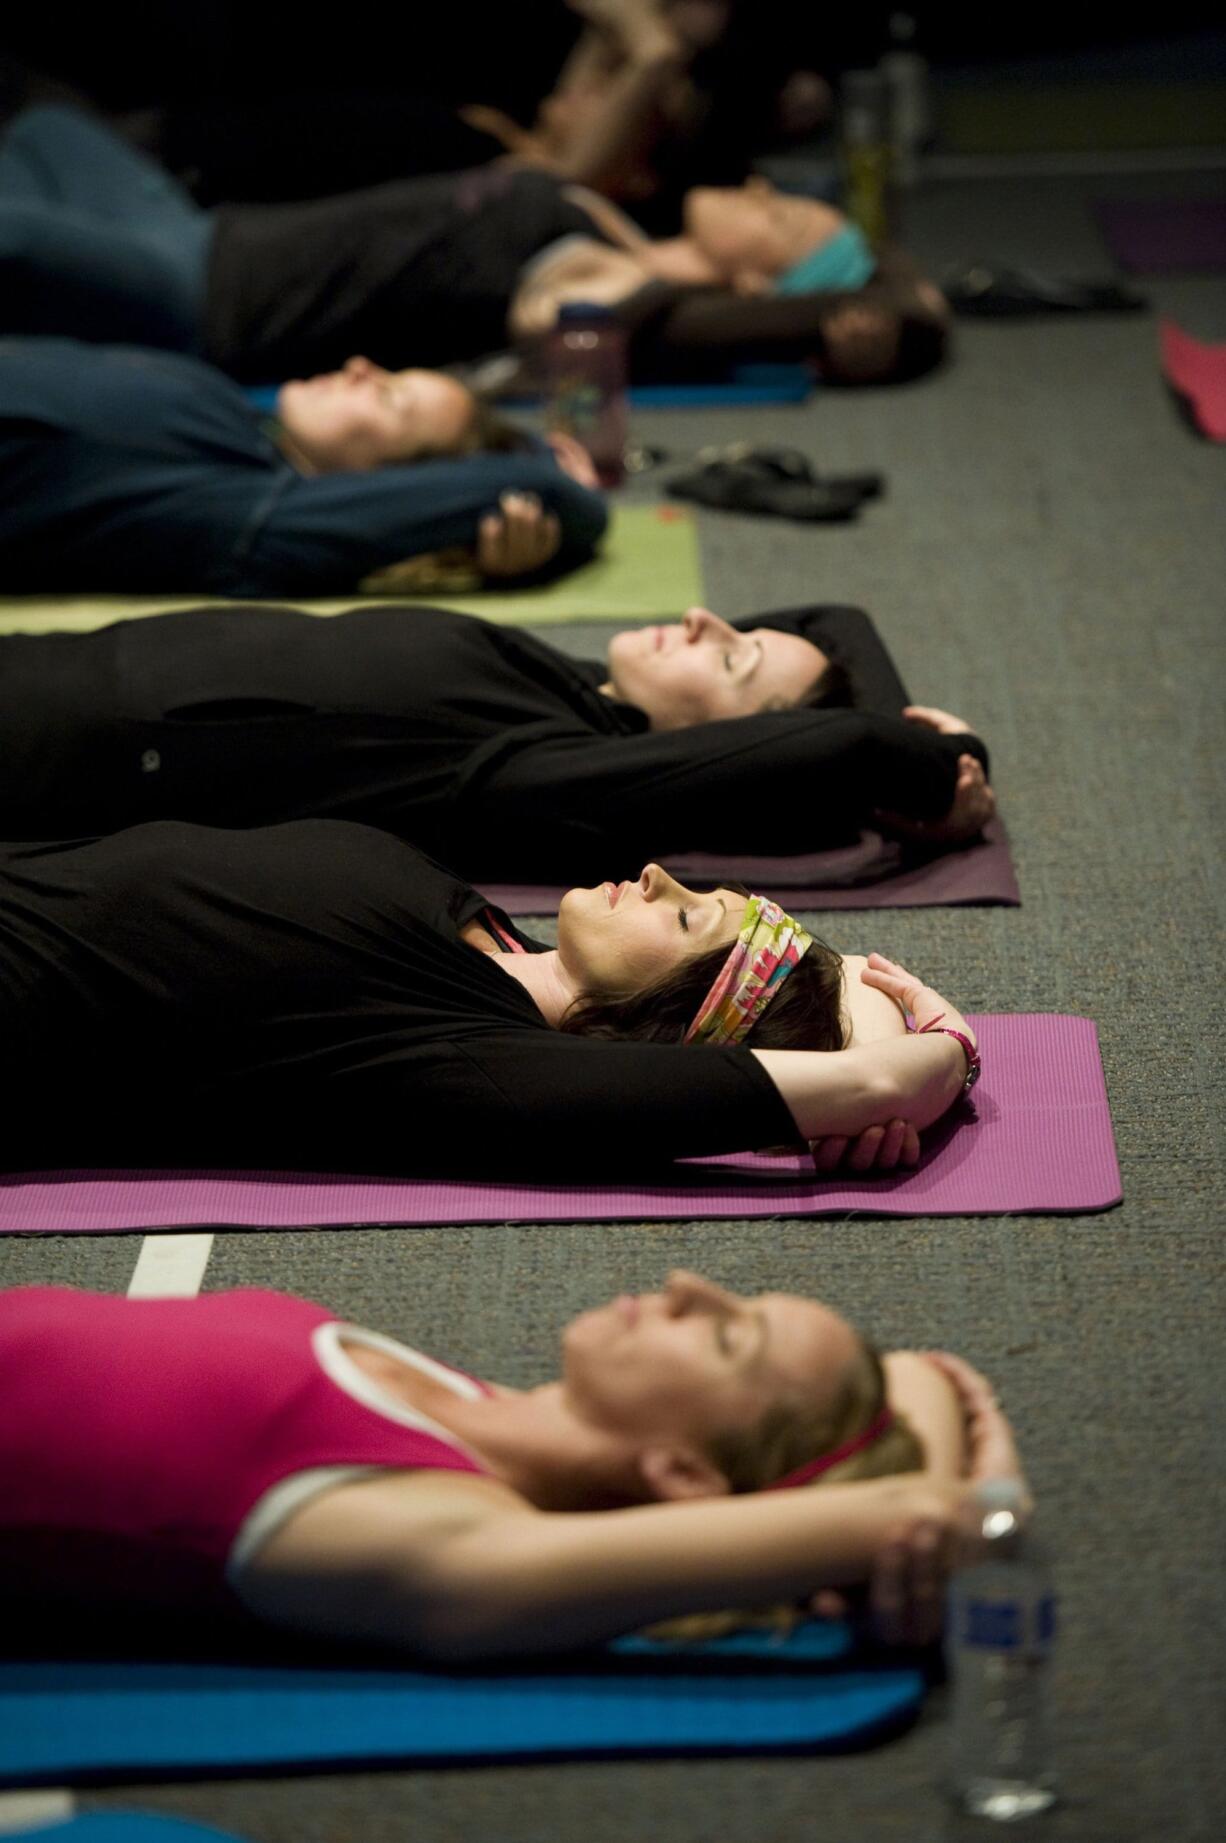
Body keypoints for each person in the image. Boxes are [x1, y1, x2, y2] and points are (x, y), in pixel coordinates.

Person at [0, 1275, 1025, 1657]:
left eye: (726, 1338)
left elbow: (930, 1506)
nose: (685, 1284)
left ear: (678, 1477)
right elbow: (908, 1370)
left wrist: (976, 1511)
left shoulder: (443, 1539)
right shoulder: (478, 1409)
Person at [0, 820, 980, 1177]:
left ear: (664, 1027)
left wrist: (937, 1054)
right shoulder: (490, 930)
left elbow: (870, 1081)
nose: (654, 875)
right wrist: (865, 985)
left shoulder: (467, 1055)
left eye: (685, 921)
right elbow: (853, 998)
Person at [0, 602, 994, 880]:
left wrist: (941, 762)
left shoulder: (540, 766)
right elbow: (834, 613)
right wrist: (918, 718)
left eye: (734, 661)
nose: (704, 618)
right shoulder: (555, 674)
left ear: (725, 746)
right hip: (51, 663)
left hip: (44, 745)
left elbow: (849, 749)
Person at [0, 104, 947, 386]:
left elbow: (550, 334)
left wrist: (868, 305)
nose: (757, 189)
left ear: (755, 278)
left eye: (778, 218)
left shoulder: (610, 282)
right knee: (39, 123)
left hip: (205, 299)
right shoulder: (609, 224)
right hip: (205, 231)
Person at [0, 339, 606, 596]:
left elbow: (543, 491)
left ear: (395, 484)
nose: (362, 367)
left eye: (391, 399)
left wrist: (563, 486)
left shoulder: (241, 510)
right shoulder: (225, 408)